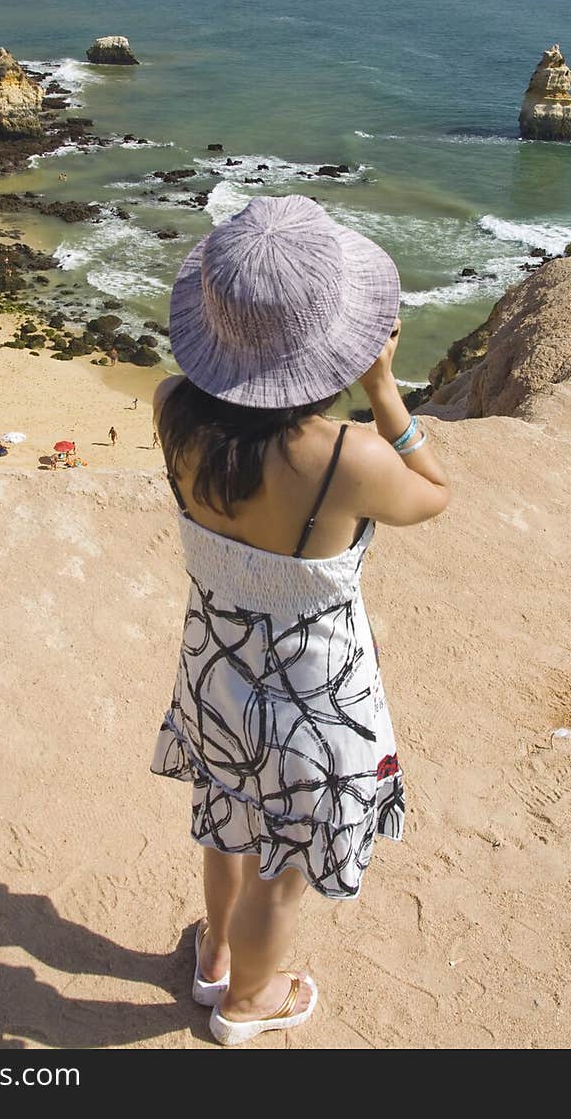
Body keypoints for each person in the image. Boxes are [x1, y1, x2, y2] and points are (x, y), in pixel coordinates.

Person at [150, 195, 450, 1046]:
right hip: (312, 698)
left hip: (215, 669)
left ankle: (214, 960)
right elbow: (433, 494)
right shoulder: (345, 459)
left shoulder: (174, 409)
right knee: (282, 871)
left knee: (227, 820)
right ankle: (249, 1004)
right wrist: (384, 390)